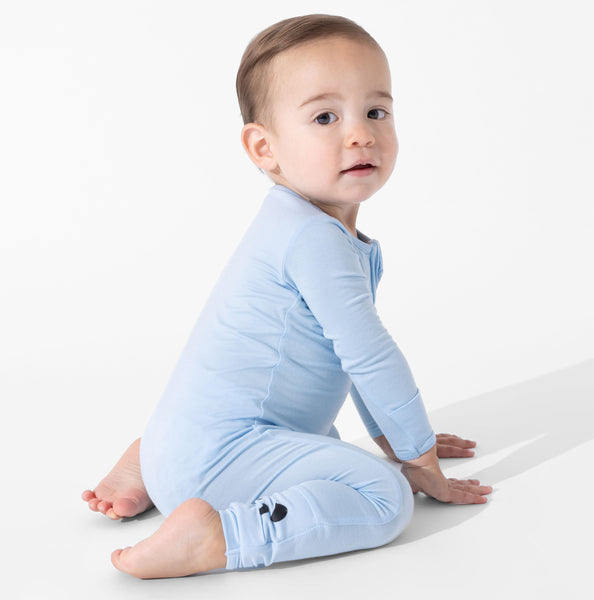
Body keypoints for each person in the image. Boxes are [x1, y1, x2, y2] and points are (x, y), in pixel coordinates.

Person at [82, 14, 492, 579]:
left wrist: (402, 441)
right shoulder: (313, 239)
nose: (360, 134)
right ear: (264, 147)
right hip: (219, 457)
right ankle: (218, 535)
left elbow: (356, 359)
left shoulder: (303, 225)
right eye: (325, 117)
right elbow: (371, 358)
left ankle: (156, 459)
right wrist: (418, 462)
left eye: (376, 111)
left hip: (196, 438)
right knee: (384, 497)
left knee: (331, 444)